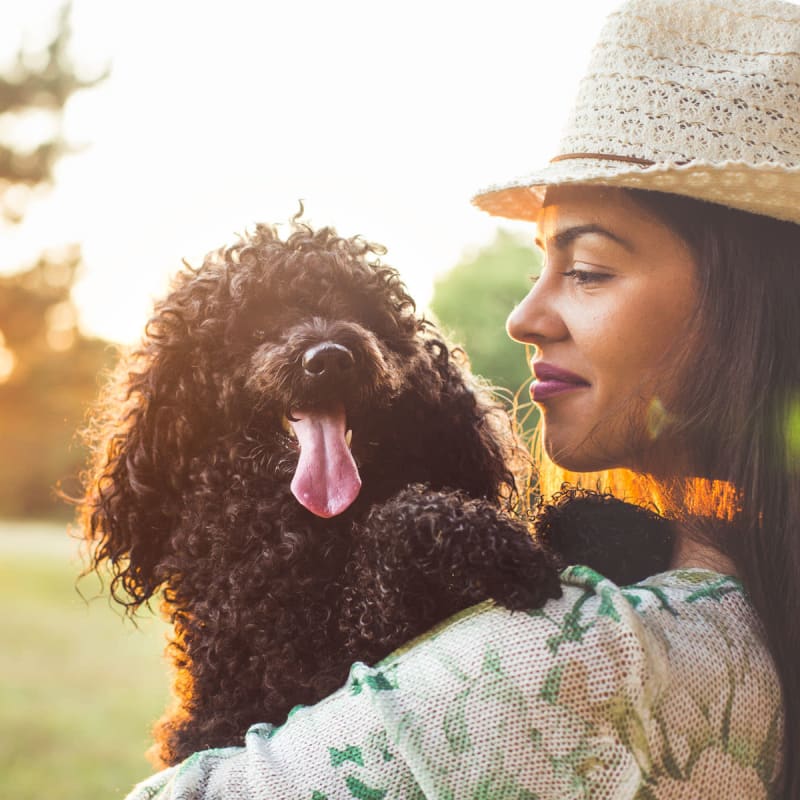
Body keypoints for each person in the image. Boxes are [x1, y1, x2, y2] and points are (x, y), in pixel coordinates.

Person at [121, 0, 799, 797]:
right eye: (540, 263)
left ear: (750, 301)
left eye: (586, 268)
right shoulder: (744, 573)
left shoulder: (578, 659)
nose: (522, 316)